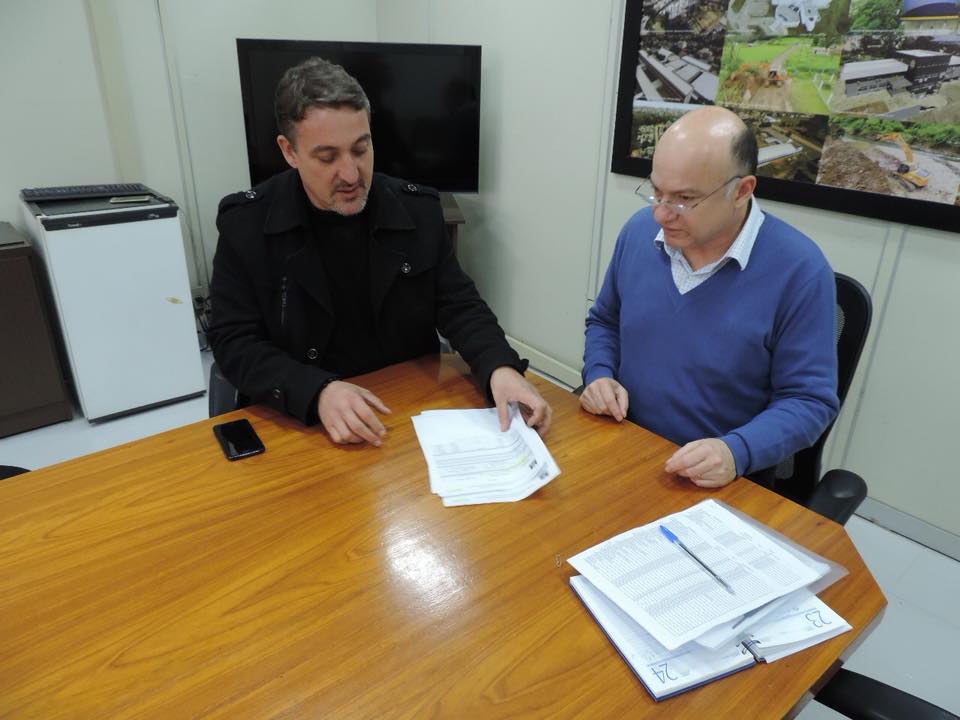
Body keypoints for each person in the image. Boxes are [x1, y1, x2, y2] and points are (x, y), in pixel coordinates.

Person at [209, 57, 551, 446]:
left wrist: (499, 368)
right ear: (289, 152)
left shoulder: (417, 210)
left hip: (406, 413)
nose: (352, 175)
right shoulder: (247, 225)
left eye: (361, 149)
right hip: (306, 421)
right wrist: (316, 391)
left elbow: (459, 305)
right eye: (327, 157)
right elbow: (234, 341)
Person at [581, 106, 838, 488]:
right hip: (622, 441)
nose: (660, 215)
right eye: (656, 192)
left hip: (709, 477)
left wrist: (735, 451)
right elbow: (605, 321)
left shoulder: (799, 269)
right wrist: (599, 374)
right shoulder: (638, 234)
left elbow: (809, 401)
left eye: (684, 199)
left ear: (742, 190)